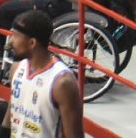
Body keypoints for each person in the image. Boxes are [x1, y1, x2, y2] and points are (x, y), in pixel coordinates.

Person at [5, 10, 82, 138]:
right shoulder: (16, 68)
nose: (10, 42)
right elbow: (11, 111)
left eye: (15, 36)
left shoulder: (62, 82)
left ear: (32, 43)